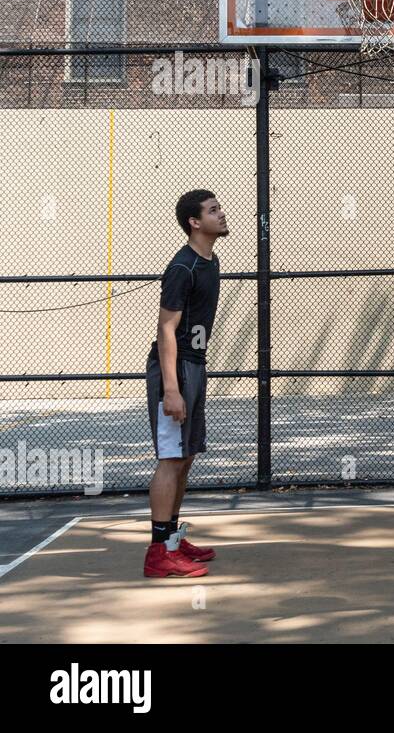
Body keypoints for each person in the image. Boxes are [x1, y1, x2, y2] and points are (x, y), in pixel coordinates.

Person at [143, 190, 227, 579]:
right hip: (173, 370)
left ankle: (173, 539)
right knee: (171, 458)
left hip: (195, 364)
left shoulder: (210, 262)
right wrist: (172, 389)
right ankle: (158, 552)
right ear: (195, 222)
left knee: (187, 455)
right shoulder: (183, 268)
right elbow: (166, 330)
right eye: (213, 210)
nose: (221, 214)